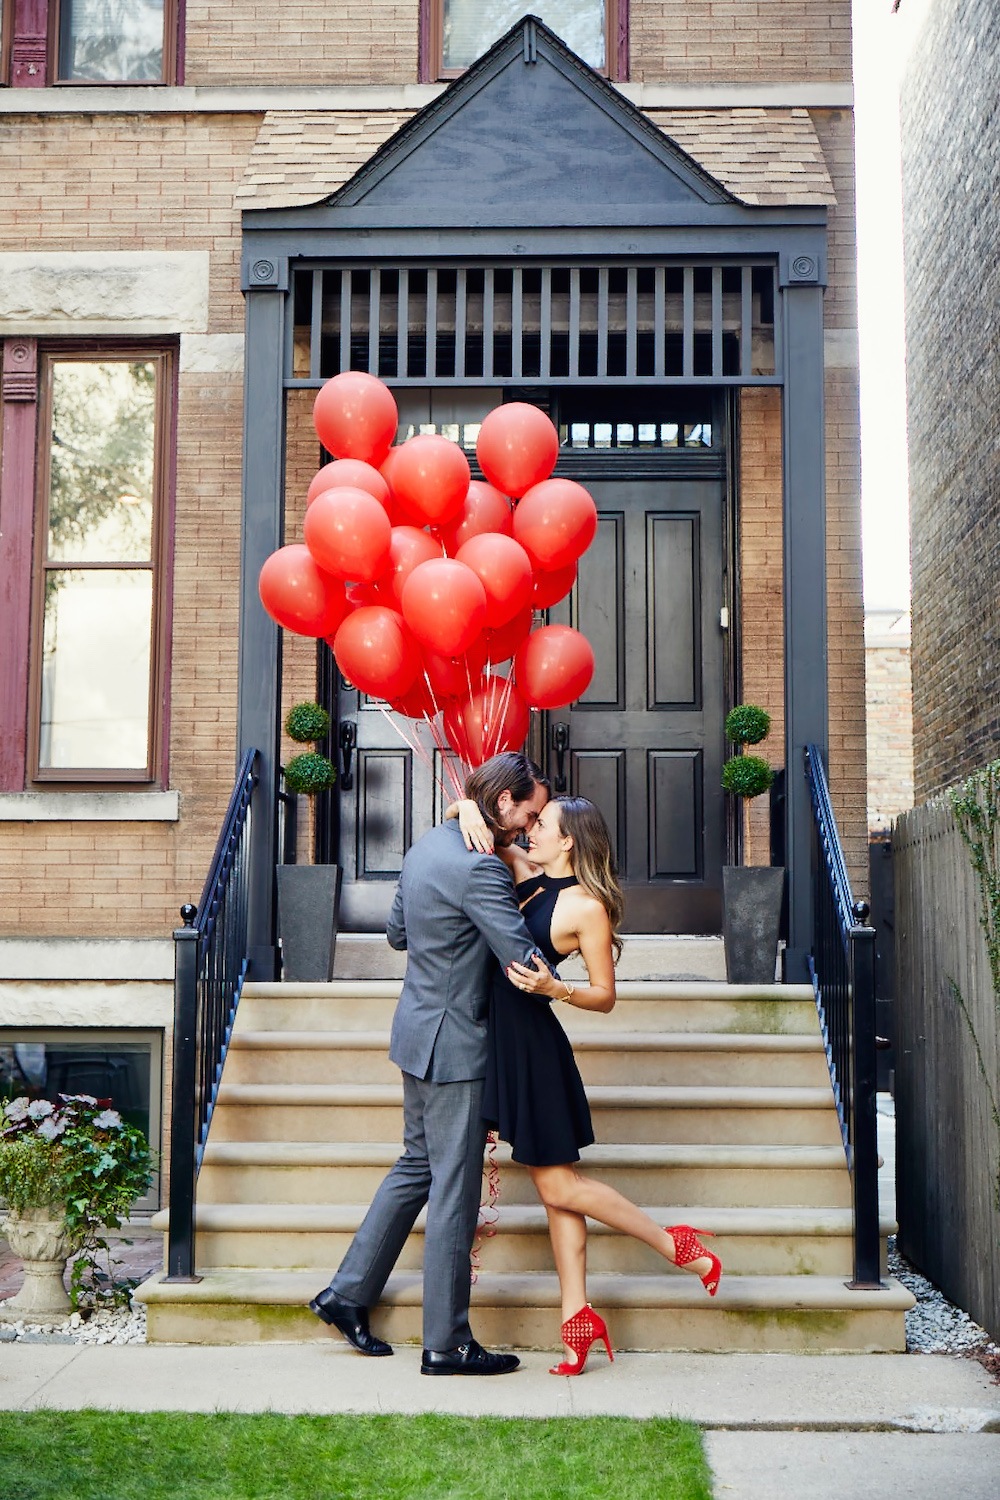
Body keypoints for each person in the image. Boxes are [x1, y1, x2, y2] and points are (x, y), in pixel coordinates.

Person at [453, 793, 724, 1376]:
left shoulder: (585, 907)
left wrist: (558, 991)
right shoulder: (520, 870)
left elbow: (605, 995)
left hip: (534, 1053)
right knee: (559, 1191)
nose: (531, 828)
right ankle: (577, 1319)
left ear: (568, 840)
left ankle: (675, 1245)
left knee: (559, 1189)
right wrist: (465, 808)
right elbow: (468, 825)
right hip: (500, 1044)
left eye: (542, 824)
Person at [309, 751, 550, 1376]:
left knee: (417, 1166)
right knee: (454, 1191)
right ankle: (446, 1343)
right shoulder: (481, 869)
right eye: (529, 811)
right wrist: (534, 886)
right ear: (503, 804)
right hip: (456, 1046)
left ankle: (346, 1294)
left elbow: (397, 934)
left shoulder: (426, 847)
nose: (532, 823)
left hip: (416, 1033)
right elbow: (524, 961)